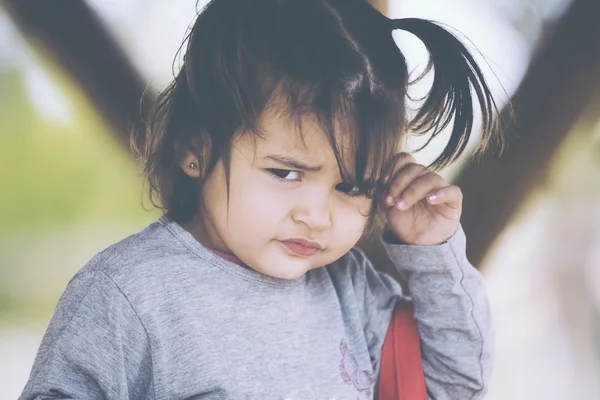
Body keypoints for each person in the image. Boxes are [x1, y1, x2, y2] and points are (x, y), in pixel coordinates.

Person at [20, 0, 502, 398]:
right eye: (286, 172)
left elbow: (456, 381)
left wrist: (432, 253)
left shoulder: (348, 288)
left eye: (352, 186)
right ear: (196, 147)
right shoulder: (130, 294)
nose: (316, 215)